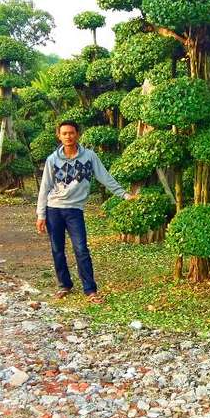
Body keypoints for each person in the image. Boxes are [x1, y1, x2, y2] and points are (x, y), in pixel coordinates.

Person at [36, 120, 133, 303]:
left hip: (74, 210)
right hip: (54, 209)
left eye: (71, 133)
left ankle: (90, 290)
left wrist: (124, 195)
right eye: (64, 133)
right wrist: (41, 215)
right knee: (57, 249)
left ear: (77, 134)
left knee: (81, 249)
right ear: (59, 136)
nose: (68, 136)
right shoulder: (52, 160)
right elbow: (45, 187)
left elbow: (105, 177)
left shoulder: (89, 157)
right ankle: (64, 285)